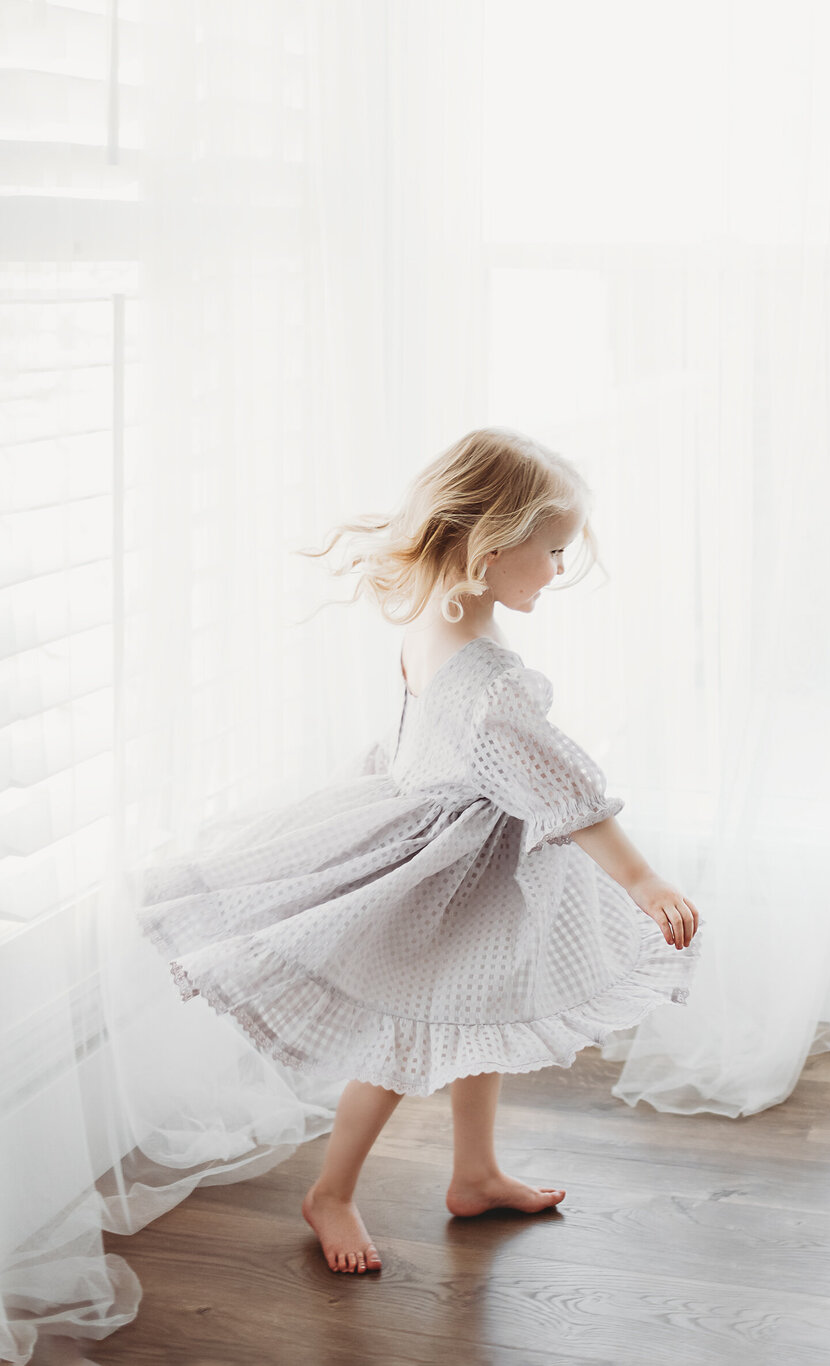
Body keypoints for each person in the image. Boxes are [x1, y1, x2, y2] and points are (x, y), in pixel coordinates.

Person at [137, 427, 703, 1275]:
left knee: (478, 1013)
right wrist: (643, 879)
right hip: (447, 869)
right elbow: (568, 792)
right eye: (550, 552)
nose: (558, 570)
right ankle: (330, 1191)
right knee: (406, 1038)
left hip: (469, 863)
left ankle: (474, 1174)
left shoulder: (431, 625)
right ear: (491, 544)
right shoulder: (493, 685)